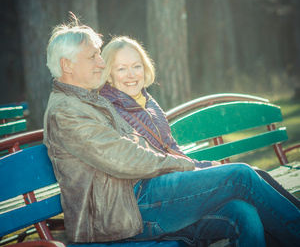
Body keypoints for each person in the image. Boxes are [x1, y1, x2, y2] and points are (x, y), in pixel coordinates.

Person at [44, 16, 300, 247]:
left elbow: (136, 146)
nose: (101, 63)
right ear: (67, 64)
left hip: (140, 193)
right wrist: (183, 166)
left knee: (241, 213)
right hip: (123, 211)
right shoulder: (66, 111)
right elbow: (122, 157)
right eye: (93, 57)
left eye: (100, 55)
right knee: (240, 175)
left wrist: (186, 166)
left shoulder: (88, 100)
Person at [98, 36, 300, 212]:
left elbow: (172, 149)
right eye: (121, 69)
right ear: (108, 74)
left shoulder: (147, 102)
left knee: (252, 186)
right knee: (242, 174)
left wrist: (204, 166)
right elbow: (149, 162)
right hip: (155, 192)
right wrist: (202, 168)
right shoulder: (113, 112)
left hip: (178, 177)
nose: (132, 75)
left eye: (136, 66)